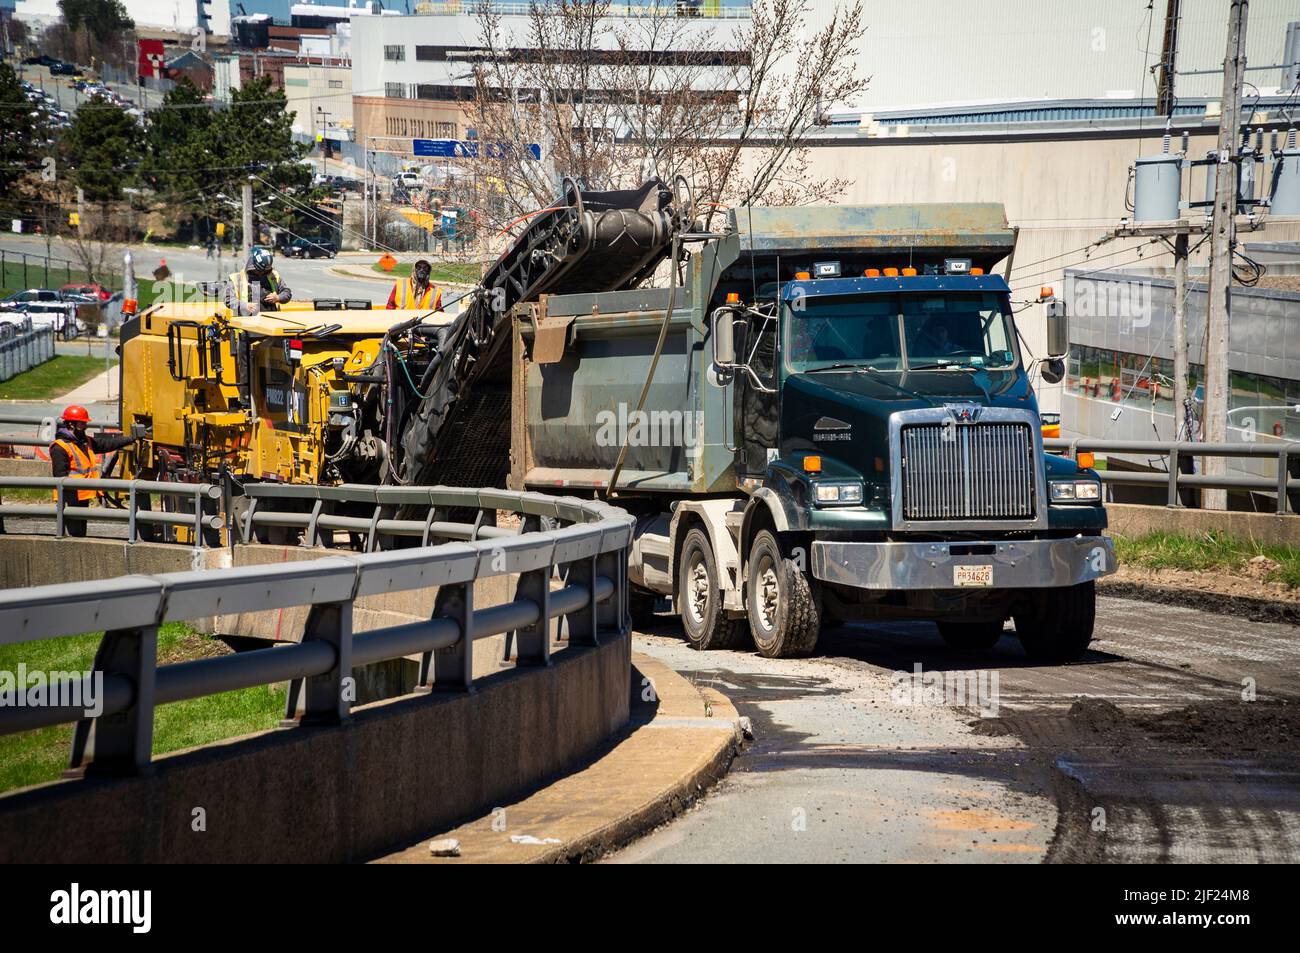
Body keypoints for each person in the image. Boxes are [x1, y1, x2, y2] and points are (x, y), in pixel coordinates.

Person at [49, 405, 137, 537]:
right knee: (71, 533)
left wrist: (130, 439)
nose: (85, 426)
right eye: (82, 423)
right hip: (69, 496)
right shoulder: (60, 447)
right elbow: (60, 475)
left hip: (83, 494)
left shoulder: (85, 441)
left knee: (80, 531)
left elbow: (107, 445)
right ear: (71, 424)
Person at [225, 246, 291, 315]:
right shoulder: (238, 278)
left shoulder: (273, 275)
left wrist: (278, 297)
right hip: (246, 322)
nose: (262, 273)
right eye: (260, 271)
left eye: (266, 271)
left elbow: (287, 292)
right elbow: (228, 299)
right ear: (254, 265)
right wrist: (244, 305)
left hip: (271, 321)